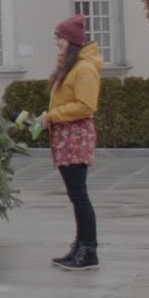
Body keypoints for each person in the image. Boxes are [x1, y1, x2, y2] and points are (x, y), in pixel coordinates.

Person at [36, 14, 103, 271]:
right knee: (76, 196)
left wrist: (51, 116)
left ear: (71, 41)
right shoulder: (71, 66)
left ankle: (88, 249)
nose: (56, 42)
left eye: (59, 38)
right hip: (65, 136)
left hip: (75, 136)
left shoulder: (84, 69)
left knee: (79, 195)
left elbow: (86, 105)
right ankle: (81, 244)